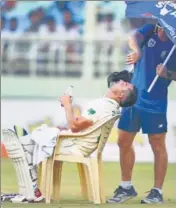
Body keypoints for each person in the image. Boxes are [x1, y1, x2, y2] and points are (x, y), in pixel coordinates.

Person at [3, 72, 138, 203]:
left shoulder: (103, 106)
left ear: (120, 94)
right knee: (30, 142)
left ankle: (31, 190)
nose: (120, 81)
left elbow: (74, 126)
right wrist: (68, 107)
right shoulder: (109, 106)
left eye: (124, 84)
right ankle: (30, 189)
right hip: (80, 143)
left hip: (76, 146)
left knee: (24, 146)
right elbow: (81, 123)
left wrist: (67, 104)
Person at [107, 23, 176, 204]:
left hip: (156, 102)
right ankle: (126, 186)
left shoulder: (174, 43)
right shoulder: (150, 29)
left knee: (157, 145)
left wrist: (167, 73)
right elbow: (133, 37)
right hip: (133, 96)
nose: (160, 27)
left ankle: (157, 191)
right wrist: (137, 51)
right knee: (123, 141)